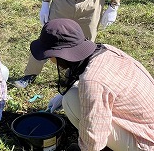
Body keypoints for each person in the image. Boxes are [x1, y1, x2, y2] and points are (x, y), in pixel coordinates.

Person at [30, 18, 154, 150]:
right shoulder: (105, 49)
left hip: (145, 141)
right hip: (146, 124)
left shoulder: (92, 81)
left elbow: (94, 139)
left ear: (60, 54)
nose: (49, 60)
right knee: (72, 95)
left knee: (70, 100)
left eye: (49, 55)